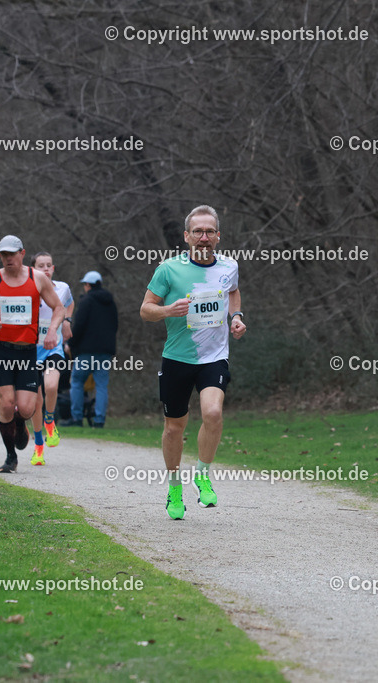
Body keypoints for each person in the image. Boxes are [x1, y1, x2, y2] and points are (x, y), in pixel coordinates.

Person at [140, 205, 246, 519]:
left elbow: (233, 292)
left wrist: (236, 317)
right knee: (174, 428)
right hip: (177, 358)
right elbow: (146, 309)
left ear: (218, 236)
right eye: (197, 231)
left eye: (209, 231)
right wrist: (167, 310)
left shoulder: (229, 265)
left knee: (213, 412)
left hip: (214, 357)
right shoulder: (168, 269)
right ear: (187, 236)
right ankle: (174, 488)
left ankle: (202, 474)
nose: (203, 237)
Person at [0, 235, 65, 473]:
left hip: (27, 352)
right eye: (4, 255)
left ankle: (20, 421)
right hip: (0, 350)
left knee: (26, 408)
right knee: (6, 404)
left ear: (22, 254)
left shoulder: (37, 278)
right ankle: (10, 456)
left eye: (12, 254)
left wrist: (52, 330)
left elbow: (58, 308)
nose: (8, 258)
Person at [28, 251, 74, 465]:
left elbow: (69, 304)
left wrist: (67, 321)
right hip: (30, 351)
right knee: (35, 401)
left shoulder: (62, 288)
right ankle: (38, 448)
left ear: (53, 268)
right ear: (33, 269)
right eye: (41, 266)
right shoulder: (26, 290)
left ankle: (50, 419)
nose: (46, 269)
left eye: (49, 265)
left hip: (52, 349)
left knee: (52, 386)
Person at [64, 271, 118, 428]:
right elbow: (115, 325)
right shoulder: (110, 302)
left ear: (88, 285)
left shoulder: (86, 301)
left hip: (86, 352)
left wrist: (70, 343)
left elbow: (79, 325)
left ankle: (77, 418)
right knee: (101, 386)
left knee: (77, 382)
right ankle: (99, 421)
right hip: (105, 351)